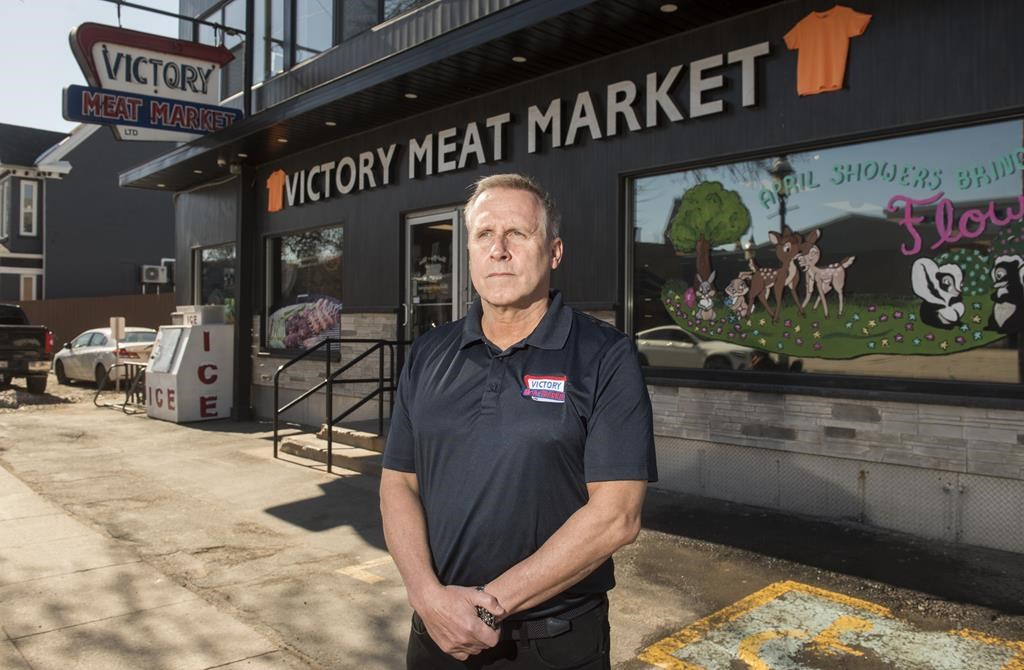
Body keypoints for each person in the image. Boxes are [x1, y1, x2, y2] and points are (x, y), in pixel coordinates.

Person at [380, 173, 657, 669]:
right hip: (436, 632)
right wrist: (425, 595)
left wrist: (488, 608)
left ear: (554, 252)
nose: (499, 250)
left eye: (518, 234)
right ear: (469, 252)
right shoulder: (428, 353)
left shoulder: (605, 356)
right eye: (484, 235)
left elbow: (617, 515)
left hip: (553, 643)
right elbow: (399, 481)